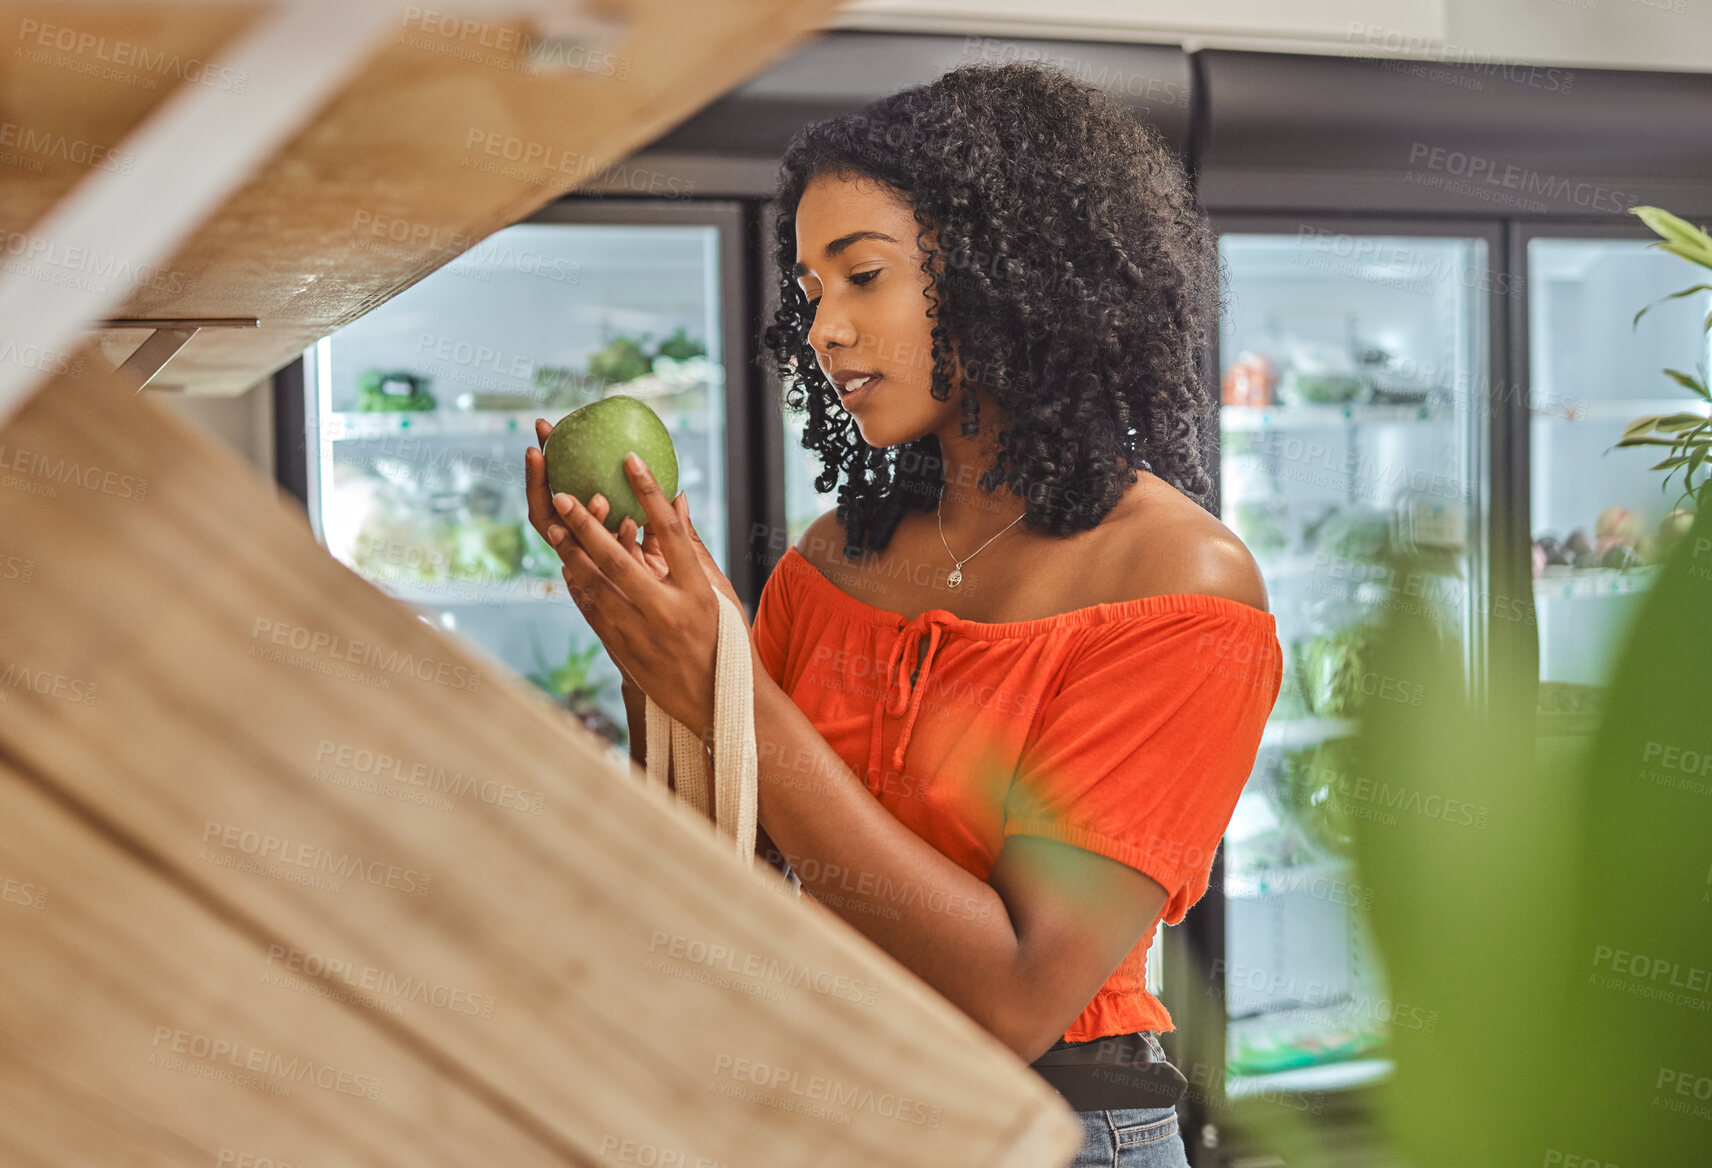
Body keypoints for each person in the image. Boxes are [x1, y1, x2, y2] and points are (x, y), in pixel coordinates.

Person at [524, 61, 1282, 1168]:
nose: (822, 329)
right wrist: (654, 646)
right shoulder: (835, 556)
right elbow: (725, 840)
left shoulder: (1179, 585)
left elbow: (1019, 992)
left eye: (861, 276)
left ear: (1010, 275)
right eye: (808, 288)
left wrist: (724, 683)